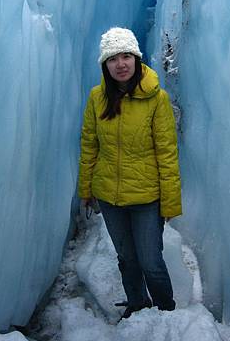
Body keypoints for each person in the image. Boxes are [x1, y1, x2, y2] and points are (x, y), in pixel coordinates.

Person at [78, 27, 182, 319]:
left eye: (126, 56)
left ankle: (165, 312)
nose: (120, 64)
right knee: (127, 258)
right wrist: (86, 190)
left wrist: (170, 201)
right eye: (113, 58)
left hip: (146, 198)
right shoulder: (97, 98)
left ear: (136, 59)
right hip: (109, 196)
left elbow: (167, 153)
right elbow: (89, 145)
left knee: (150, 261)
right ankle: (137, 303)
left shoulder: (156, 99)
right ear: (105, 64)